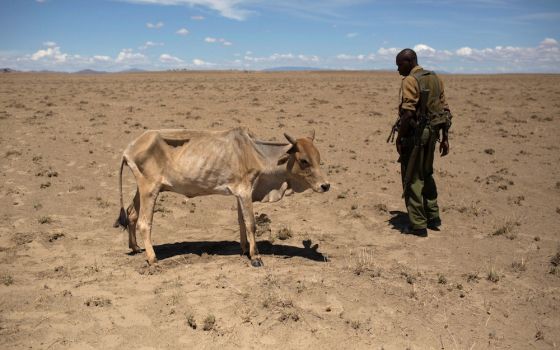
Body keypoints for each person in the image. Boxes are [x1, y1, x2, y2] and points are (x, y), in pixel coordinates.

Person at [394, 48, 452, 236]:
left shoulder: (411, 80)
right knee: (426, 174)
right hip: (434, 134)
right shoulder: (435, 77)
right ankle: (433, 218)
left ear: (409, 61)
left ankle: (418, 225)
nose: (398, 70)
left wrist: (400, 137)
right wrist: (445, 138)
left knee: (412, 178)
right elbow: (445, 110)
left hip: (416, 136)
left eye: (399, 65)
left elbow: (408, 112)